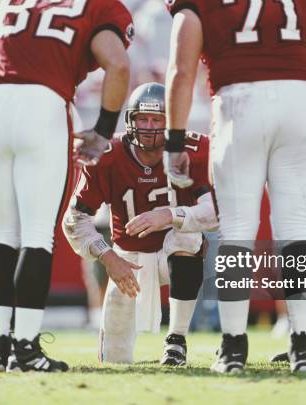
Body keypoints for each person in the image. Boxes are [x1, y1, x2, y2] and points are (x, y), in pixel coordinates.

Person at [0, 0, 134, 373]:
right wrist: (104, 130)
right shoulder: (96, 5)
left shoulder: (2, 3)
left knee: (1, 235)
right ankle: (25, 347)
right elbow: (119, 65)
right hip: (44, 106)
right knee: (38, 236)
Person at [164, 0, 306, 373]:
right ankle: (304, 343)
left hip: (238, 99)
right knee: (295, 227)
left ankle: (232, 346)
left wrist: (174, 141)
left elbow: (181, 69)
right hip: (299, 97)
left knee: (237, 231)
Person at [63, 82, 217, 365]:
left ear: (172, 122)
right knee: (113, 359)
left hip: (172, 252)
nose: (148, 127)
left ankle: (176, 340)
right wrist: (107, 256)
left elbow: (215, 214)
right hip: (127, 259)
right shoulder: (108, 155)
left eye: (157, 119)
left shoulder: (192, 149)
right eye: (142, 119)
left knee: (188, 237)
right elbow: (74, 219)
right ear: (129, 121)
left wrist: (170, 216)